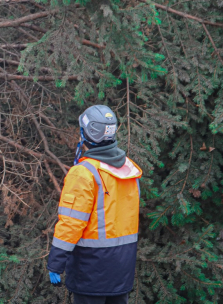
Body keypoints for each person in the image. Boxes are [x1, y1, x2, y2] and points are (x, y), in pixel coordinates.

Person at [47, 105, 142, 304]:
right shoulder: (128, 169)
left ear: (86, 133)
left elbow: (71, 223)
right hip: (122, 269)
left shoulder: (83, 173)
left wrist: (56, 263)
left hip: (90, 271)